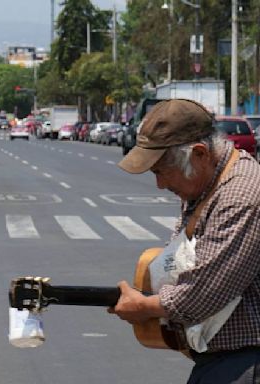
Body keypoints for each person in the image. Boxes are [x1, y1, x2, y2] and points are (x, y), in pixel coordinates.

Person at [108, 99, 260, 383]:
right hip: (223, 360)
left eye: (161, 171)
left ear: (199, 154)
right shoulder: (207, 184)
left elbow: (202, 294)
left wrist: (144, 307)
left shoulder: (241, 196)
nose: (160, 185)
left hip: (245, 363)